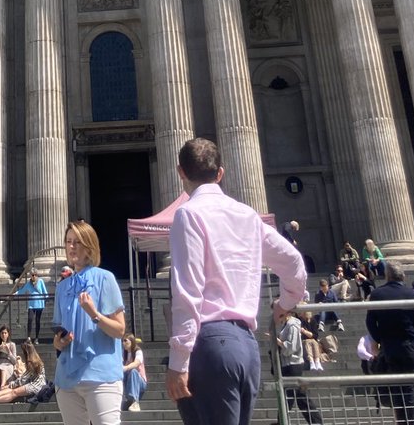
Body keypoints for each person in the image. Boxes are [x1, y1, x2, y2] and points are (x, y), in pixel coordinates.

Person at [166, 138, 307, 425]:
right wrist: (284, 303)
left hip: (209, 344)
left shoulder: (188, 214)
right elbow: (293, 262)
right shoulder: (248, 215)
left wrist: (178, 361)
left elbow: (188, 291)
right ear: (220, 173)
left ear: (181, 172)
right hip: (246, 346)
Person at [53, 219, 126, 425]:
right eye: (68, 242)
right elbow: (57, 337)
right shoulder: (62, 287)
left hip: (101, 376)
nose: (72, 247)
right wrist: (59, 342)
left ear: (90, 247)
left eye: (78, 242)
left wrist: (95, 314)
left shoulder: (105, 279)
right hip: (66, 379)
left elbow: (120, 330)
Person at [366, 260, 414, 425]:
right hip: (410, 347)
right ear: (403, 275)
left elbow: (370, 323)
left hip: (389, 348)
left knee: (398, 393)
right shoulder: (411, 294)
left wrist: (381, 339)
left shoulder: (377, 295)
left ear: (387, 275)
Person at [274, 306, 323, 425]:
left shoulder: (292, 324)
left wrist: (278, 342)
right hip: (289, 364)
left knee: (289, 398)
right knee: (299, 398)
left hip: (293, 364)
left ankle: (281, 422)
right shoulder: (287, 324)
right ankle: (316, 422)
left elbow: (292, 347)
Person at [17, 268, 48, 342]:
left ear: (37, 275)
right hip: (31, 304)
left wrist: (47, 298)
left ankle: (37, 338)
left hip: (39, 303)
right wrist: (15, 293)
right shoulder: (28, 283)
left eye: (34, 275)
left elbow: (44, 291)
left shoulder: (40, 281)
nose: (33, 276)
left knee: (37, 320)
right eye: (31, 275)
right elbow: (22, 290)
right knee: (30, 319)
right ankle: (29, 337)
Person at [122, 334, 147, 411]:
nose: (123, 343)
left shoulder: (138, 352)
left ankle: (135, 402)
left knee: (133, 371)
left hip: (140, 382)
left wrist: (126, 367)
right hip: (129, 380)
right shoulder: (124, 354)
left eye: (125, 340)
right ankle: (126, 399)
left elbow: (136, 363)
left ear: (132, 341)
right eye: (123, 341)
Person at [0, 325, 17, 391]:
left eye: (5, 333)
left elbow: (14, 361)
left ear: (8, 334)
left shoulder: (12, 344)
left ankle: (2, 387)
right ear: (0, 334)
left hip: (8, 364)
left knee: (3, 369)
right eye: (2, 333)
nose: (4, 335)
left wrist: (9, 352)